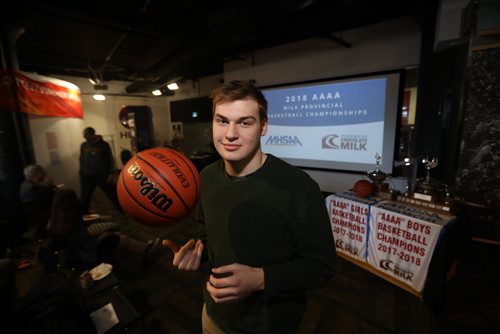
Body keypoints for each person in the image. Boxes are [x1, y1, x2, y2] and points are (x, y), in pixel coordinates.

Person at [162, 80, 337, 333]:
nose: (230, 133)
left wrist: (259, 279)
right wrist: (197, 251)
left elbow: (322, 266)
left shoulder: (299, 187)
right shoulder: (206, 178)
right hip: (213, 316)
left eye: (245, 122)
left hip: (270, 325)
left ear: (263, 126)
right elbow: (207, 233)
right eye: (222, 121)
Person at [47, 189, 157, 268]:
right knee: (121, 238)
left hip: (78, 254)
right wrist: (101, 237)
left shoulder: (54, 222)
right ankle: (144, 252)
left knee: (119, 235)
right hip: (89, 256)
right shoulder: (72, 224)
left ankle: (144, 248)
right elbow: (89, 245)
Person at [79, 127, 122, 214]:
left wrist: (110, 173)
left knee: (112, 193)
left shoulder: (104, 145)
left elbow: (110, 159)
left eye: (86, 134)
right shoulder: (83, 145)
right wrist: (81, 171)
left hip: (102, 174)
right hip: (87, 175)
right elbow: (81, 159)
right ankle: (84, 213)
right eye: (84, 134)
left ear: (92, 134)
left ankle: (122, 209)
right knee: (85, 195)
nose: (84, 136)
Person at [19, 164, 58, 239]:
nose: (45, 173)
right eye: (42, 172)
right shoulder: (33, 187)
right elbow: (54, 194)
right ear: (36, 174)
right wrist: (50, 184)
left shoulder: (25, 184)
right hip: (41, 213)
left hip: (35, 212)